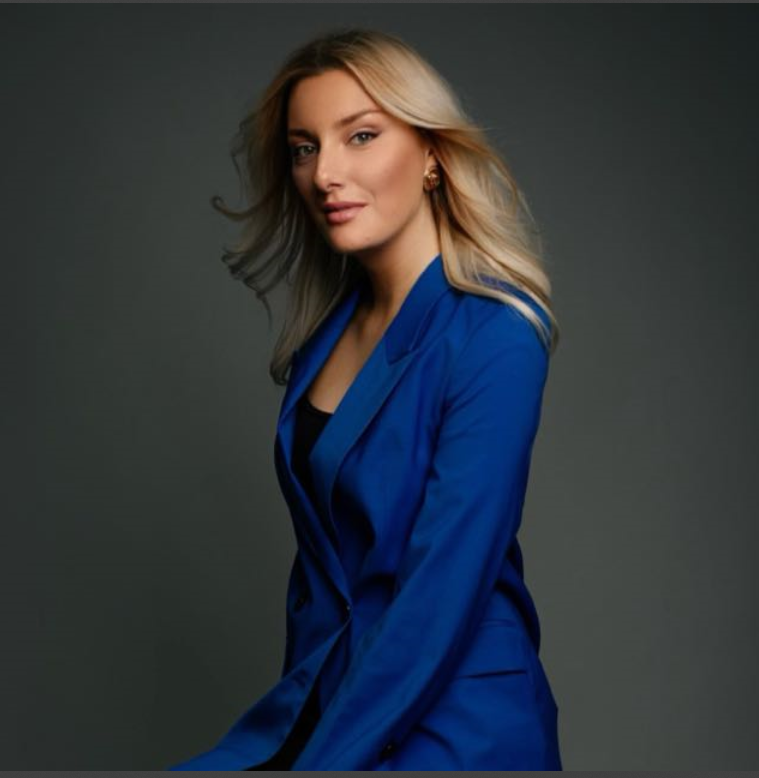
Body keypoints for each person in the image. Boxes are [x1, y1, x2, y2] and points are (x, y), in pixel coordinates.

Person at [168, 26, 562, 771]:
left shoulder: (496, 335)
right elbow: (325, 578)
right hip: (332, 700)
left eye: (361, 136)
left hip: (454, 726)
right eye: (304, 147)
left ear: (433, 155)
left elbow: (441, 591)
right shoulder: (326, 336)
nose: (325, 173)